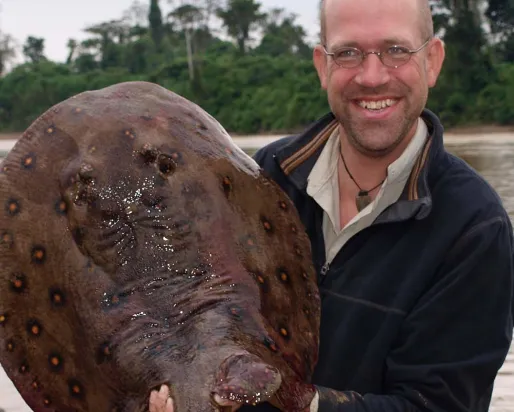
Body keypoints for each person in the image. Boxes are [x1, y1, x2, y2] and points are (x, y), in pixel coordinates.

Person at [149, 0, 514, 410]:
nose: (372, 75)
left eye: (396, 50)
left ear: (433, 60)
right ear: (323, 65)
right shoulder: (262, 177)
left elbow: (439, 404)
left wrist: (298, 401)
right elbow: (197, 316)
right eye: (348, 53)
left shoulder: (474, 227)